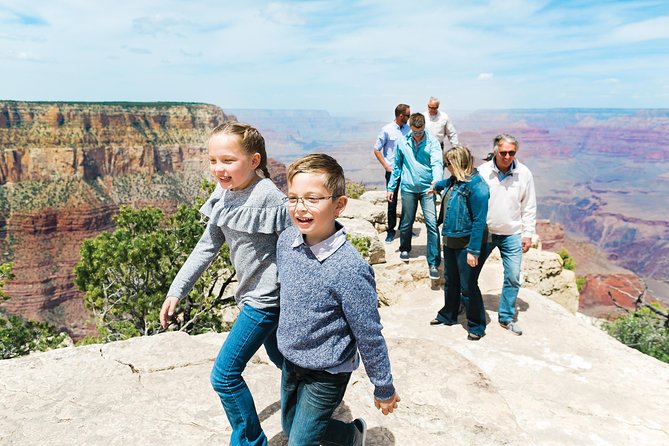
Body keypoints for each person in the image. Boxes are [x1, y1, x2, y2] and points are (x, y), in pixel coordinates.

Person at [159, 122, 293, 446]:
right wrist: (177, 290)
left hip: (266, 302)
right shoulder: (224, 192)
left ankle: (250, 442)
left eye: (228, 160)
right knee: (287, 364)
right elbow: (207, 245)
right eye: (213, 160)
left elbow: (296, 251)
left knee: (225, 375)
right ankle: (337, 430)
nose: (219, 168)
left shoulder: (270, 199)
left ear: (254, 160)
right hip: (251, 298)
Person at [277, 153, 400, 446]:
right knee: (289, 426)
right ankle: (350, 435)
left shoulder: (349, 268)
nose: (300, 207)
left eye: (312, 199)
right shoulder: (286, 241)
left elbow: (368, 333)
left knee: (299, 442)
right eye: (293, 198)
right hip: (291, 361)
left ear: (339, 205)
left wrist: (383, 385)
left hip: (327, 371)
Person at [477, 134, 537, 336]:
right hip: (485, 232)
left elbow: (529, 205)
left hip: (512, 233)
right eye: (503, 152)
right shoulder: (483, 172)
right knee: (470, 273)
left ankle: (506, 317)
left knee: (513, 276)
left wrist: (528, 234)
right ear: (495, 151)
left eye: (512, 153)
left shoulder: (524, 173)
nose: (507, 156)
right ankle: (465, 303)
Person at [429, 146, 489, 341]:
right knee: (451, 281)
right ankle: (448, 314)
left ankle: (476, 325)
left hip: (466, 244)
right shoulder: (455, 180)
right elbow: (444, 184)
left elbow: (479, 221)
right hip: (450, 239)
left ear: (457, 163)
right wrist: (435, 186)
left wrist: (473, 250)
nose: (446, 167)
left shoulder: (478, 187)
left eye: (448, 164)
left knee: (468, 286)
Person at [387, 113, 443, 279]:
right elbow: (397, 166)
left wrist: (436, 182)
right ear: (410, 128)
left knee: (432, 224)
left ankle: (433, 262)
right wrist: (391, 187)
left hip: (427, 189)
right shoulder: (402, 142)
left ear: (424, 127)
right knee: (407, 221)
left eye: (420, 132)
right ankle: (405, 248)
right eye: (415, 132)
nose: (417, 135)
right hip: (409, 188)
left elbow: (437, 163)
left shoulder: (432, 142)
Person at [373, 104, 411, 243]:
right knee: (392, 201)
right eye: (408, 115)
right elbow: (376, 149)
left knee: (408, 200)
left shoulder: (408, 129)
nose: (409, 118)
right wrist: (386, 166)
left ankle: (404, 228)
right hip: (393, 170)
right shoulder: (387, 130)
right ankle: (390, 230)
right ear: (401, 115)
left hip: (407, 170)